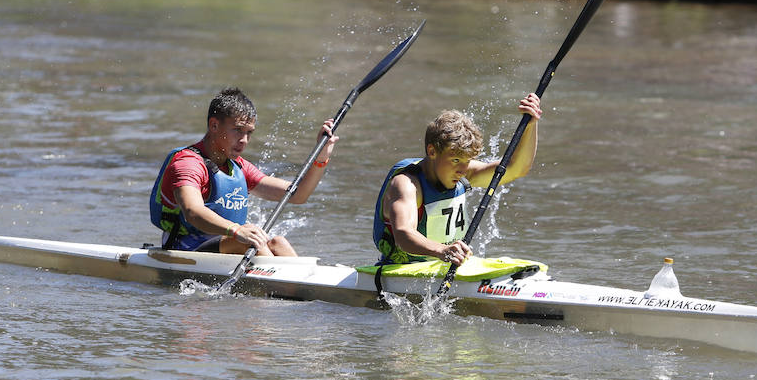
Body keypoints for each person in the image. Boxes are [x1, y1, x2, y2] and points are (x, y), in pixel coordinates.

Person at [149, 88, 338, 256]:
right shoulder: (188, 163)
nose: (244, 140)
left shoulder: (238, 167)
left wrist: (320, 158)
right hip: (185, 249)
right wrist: (237, 231)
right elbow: (193, 212)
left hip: (227, 244)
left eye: (249, 133)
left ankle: (301, 289)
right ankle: (286, 291)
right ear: (214, 125)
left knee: (279, 243)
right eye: (237, 130)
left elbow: (297, 195)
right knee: (250, 242)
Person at [372, 95, 543, 266]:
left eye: (467, 160)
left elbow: (516, 169)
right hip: (398, 270)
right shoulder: (406, 185)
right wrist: (442, 250)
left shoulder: (463, 171)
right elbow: (404, 234)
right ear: (432, 151)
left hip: (442, 265)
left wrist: (531, 124)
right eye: (455, 160)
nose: (462, 170)